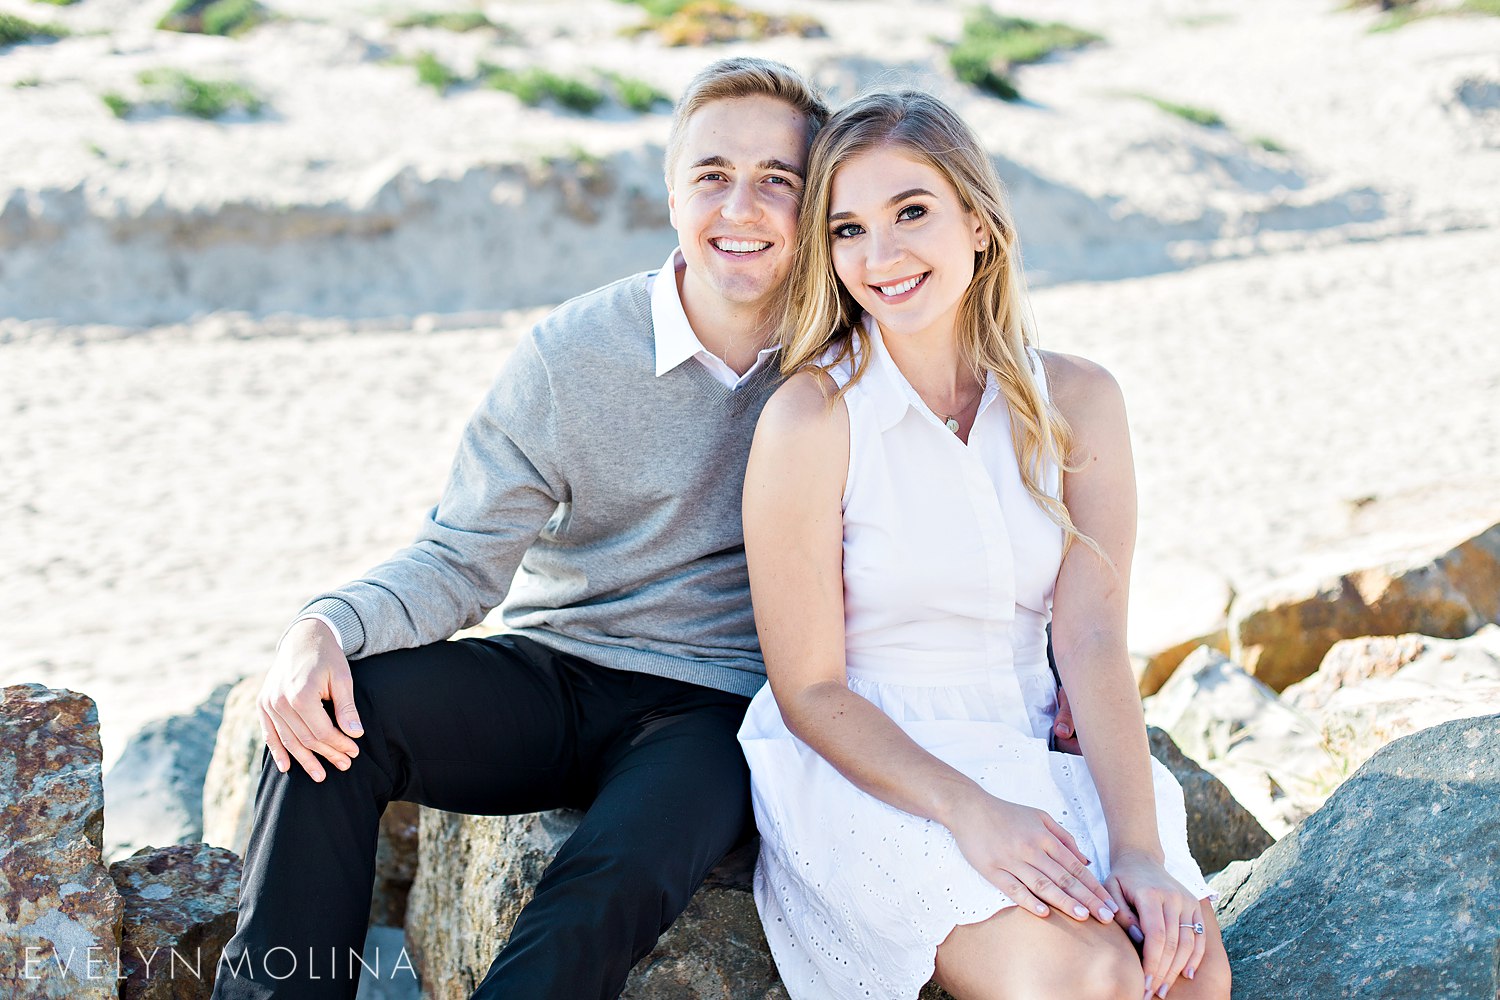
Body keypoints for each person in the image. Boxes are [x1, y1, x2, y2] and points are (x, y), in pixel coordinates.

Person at [211, 57, 829, 1000]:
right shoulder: (571, 351)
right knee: (326, 727)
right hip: (557, 669)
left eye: (776, 182)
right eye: (711, 176)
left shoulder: (847, 360)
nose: (738, 208)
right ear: (671, 195)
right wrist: (325, 627)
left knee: (609, 876)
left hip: (715, 708)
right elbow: (461, 557)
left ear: (813, 205)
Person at [737, 90, 1232, 1000]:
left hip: (1034, 739)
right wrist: (973, 813)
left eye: (911, 212)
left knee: (1185, 974)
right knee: (1088, 978)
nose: (881, 256)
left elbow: (1089, 638)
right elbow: (809, 689)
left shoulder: (1079, 401)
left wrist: (1139, 849)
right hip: (881, 762)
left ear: (978, 221)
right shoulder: (811, 420)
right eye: (847, 229)